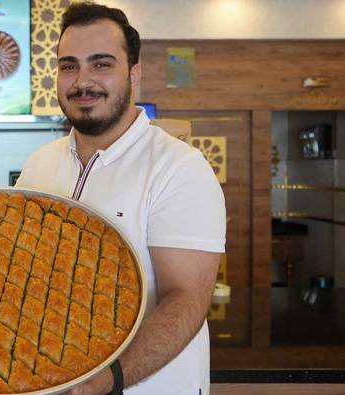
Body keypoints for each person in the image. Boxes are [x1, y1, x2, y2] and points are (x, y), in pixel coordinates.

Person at [16, 3, 226, 395]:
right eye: (68, 65)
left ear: (134, 75)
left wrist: (109, 379)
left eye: (101, 64)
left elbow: (186, 302)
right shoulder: (38, 165)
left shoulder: (179, 169)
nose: (82, 81)